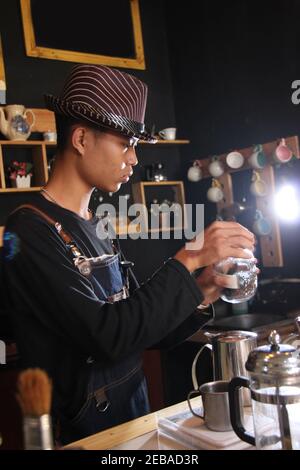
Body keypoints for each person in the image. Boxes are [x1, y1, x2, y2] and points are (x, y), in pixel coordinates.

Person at [1, 64, 255, 444]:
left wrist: (202, 289)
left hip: (132, 421)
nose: (134, 160)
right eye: (125, 144)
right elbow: (108, 336)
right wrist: (188, 259)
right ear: (83, 139)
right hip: (81, 436)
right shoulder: (29, 230)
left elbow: (140, 327)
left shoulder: (95, 224)